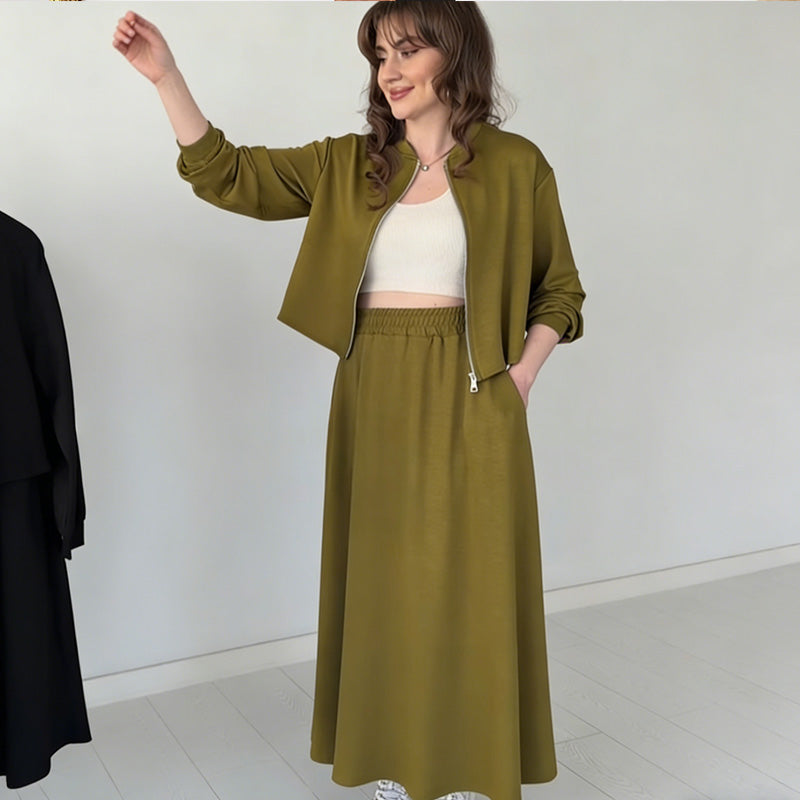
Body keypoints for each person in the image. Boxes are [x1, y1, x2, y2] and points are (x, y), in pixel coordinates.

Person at [113, 3, 585, 800]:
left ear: (455, 54)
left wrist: (523, 377)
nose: (388, 71)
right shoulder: (349, 164)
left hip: (476, 394)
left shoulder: (516, 165)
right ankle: (393, 766)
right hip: (372, 391)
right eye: (378, 55)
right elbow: (229, 174)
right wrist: (168, 78)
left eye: (407, 51)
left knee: (469, 588)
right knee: (384, 588)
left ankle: (467, 770)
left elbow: (560, 289)